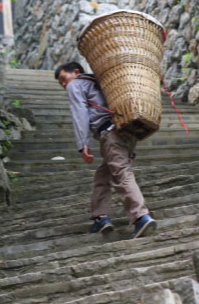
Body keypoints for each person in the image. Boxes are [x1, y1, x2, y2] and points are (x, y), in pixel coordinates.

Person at [54, 61, 157, 239]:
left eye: (64, 78)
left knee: (121, 174)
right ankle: (100, 217)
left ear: (76, 72)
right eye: (61, 83)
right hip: (126, 131)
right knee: (103, 175)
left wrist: (82, 144)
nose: (64, 84)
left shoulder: (76, 84)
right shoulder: (103, 84)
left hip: (110, 133)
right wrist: (131, 151)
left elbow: (79, 112)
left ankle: (140, 216)